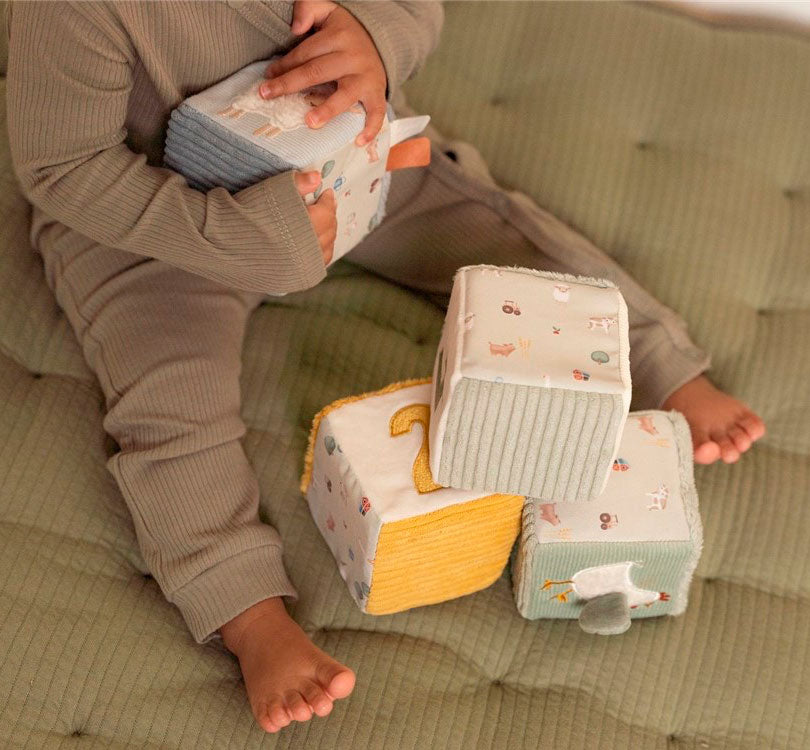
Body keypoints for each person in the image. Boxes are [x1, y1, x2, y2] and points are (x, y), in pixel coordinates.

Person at [5, 0, 765, 735]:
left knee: (497, 236)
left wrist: (372, 34)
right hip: (157, 234)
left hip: (342, 161)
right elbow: (66, 169)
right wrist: (233, 233)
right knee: (172, 407)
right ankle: (248, 614)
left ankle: (655, 357)